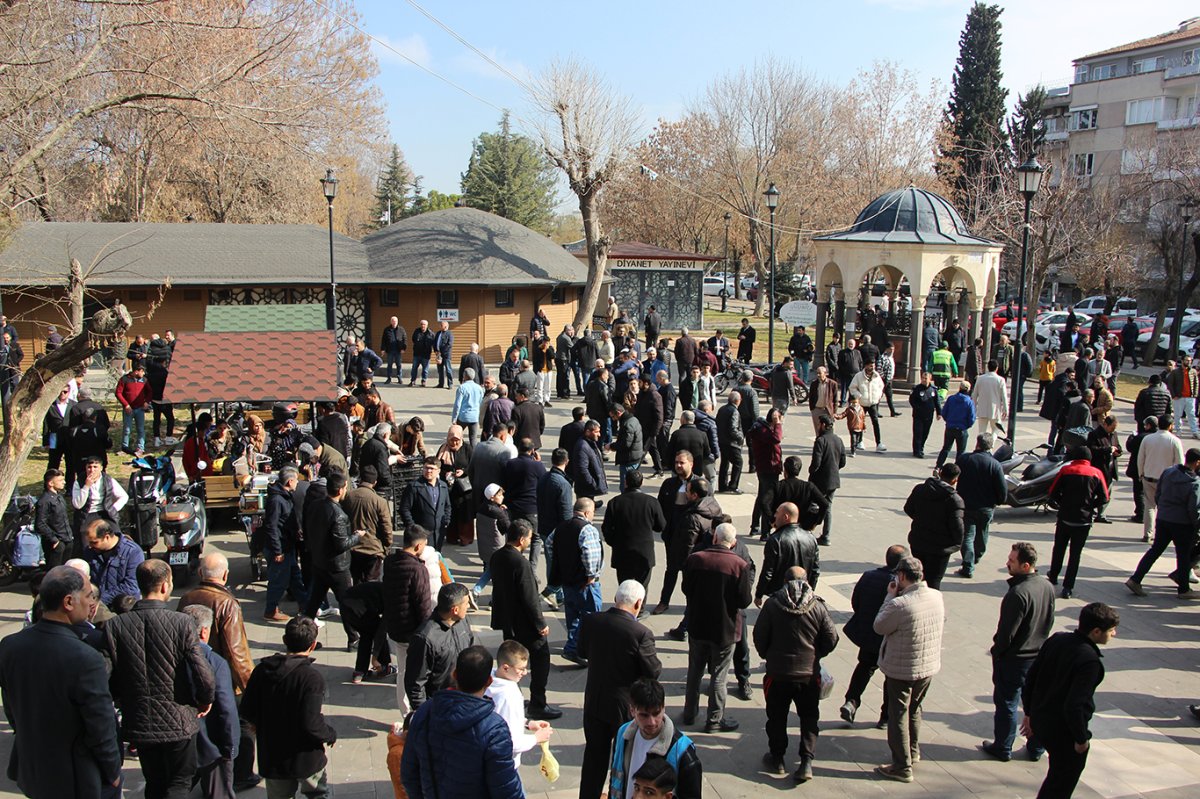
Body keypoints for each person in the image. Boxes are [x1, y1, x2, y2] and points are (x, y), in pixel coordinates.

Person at [0, 566, 122, 799]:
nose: (91, 604)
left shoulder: (10, 646)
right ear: (68, 602)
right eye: (88, 596)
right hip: (77, 778)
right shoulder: (85, 658)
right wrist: (113, 771)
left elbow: (12, 709)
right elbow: (101, 727)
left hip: (33, 770)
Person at [105, 560, 216, 799]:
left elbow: (110, 676)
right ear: (165, 586)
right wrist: (205, 699)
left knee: (154, 781)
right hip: (179, 721)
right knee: (179, 783)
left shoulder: (115, 625)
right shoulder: (182, 622)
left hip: (141, 721)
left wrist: (123, 701)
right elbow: (201, 670)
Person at [177, 553, 258, 790]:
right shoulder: (226, 604)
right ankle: (242, 775)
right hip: (222, 675)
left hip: (193, 670)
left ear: (201, 573)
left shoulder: (187, 597)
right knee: (239, 726)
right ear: (225, 575)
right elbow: (237, 653)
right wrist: (250, 689)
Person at [1021, 603, 1119, 799]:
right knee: (1061, 783)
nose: (1114, 634)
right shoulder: (1090, 662)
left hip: (1041, 719)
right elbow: (1074, 706)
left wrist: (1029, 713)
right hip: (1063, 731)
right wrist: (1081, 739)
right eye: (1111, 630)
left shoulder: (1058, 639)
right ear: (1096, 631)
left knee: (1055, 777)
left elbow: (1032, 677)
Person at [576, 580, 663, 798]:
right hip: (625, 708)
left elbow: (582, 650)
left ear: (616, 599)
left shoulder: (592, 620)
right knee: (625, 761)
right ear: (638, 603)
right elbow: (653, 671)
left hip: (595, 701)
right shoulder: (640, 633)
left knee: (594, 758)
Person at [401, 645, 524, 799]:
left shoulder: (425, 712)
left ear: (454, 674)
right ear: (489, 681)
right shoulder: (494, 728)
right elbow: (506, 789)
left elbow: (408, 774)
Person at [754, 565, 839, 783]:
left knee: (777, 717)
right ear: (807, 581)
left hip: (778, 673)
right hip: (808, 674)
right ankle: (806, 761)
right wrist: (816, 654)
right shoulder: (817, 607)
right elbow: (831, 638)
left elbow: (760, 636)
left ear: (784, 581)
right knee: (809, 717)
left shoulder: (773, 604)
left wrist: (768, 655)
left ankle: (777, 757)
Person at [241, 616, 338, 799]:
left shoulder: (262, 670)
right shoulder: (311, 678)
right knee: (317, 793)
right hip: (305, 757)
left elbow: (247, 711)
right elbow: (311, 723)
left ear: (285, 641)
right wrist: (329, 734)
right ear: (312, 645)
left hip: (273, 756)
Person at [980, 543, 1056, 763]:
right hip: (1038, 655)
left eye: (1011, 561)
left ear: (1025, 566)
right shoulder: (1046, 586)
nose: (1007, 563)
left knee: (1007, 703)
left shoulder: (1018, 594)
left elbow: (1006, 634)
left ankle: (1003, 746)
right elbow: (1048, 620)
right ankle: (1036, 747)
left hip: (1016, 659)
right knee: (1034, 703)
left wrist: (997, 652)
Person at [872, 556, 945, 784]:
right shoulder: (936, 596)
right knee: (915, 709)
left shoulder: (899, 604)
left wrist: (889, 596)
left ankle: (902, 766)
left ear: (902, 576)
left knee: (898, 715)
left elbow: (879, 626)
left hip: (902, 668)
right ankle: (913, 752)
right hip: (928, 665)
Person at [680, 522, 752, 733]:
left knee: (694, 670)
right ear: (733, 543)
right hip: (725, 628)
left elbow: (686, 589)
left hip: (698, 624)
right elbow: (744, 600)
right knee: (719, 675)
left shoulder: (695, 559)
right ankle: (714, 719)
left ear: (714, 538)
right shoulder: (739, 565)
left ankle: (689, 713)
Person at [840, 544, 909, 728]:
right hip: (890, 638)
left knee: (864, 667)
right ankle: (885, 717)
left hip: (870, 635)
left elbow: (856, 602)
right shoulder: (901, 586)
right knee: (890, 678)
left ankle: (851, 701)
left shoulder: (869, 576)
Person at [179, 605, 240, 799]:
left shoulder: (170, 656)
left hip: (178, 742)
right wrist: (231, 745)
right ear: (204, 631)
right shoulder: (215, 662)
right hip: (211, 744)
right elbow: (226, 708)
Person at [608, 678, 702, 799]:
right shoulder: (622, 734)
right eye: (644, 715)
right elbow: (615, 780)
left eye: (656, 713)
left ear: (663, 708)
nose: (651, 722)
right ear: (632, 710)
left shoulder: (683, 753)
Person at [1126, 447, 1200, 599]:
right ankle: (1184, 589)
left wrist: (1164, 508)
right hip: (1182, 523)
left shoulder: (1168, 472)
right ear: (1197, 462)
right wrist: (1196, 524)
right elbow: (1194, 508)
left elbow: (1158, 494)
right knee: (1183, 555)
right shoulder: (1194, 482)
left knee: (1155, 550)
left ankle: (1136, 579)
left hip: (1164, 518)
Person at [382, 526, 434, 716]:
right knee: (417, 674)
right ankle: (417, 712)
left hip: (395, 626)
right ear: (418, 545)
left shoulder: (390, 562)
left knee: (403, 672)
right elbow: (423, 605)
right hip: (413, 630)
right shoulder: (418, 569)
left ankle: (406, 713)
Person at [1046, 446, 1109, 599]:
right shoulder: (1097, 473)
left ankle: (1053, 576)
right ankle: (1068, 587)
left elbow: (1052, 493)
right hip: (1083, 521)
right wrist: (1089, 507)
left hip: (1065, 517)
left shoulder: (1066, 470)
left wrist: (1063, 504)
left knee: (1059, 547)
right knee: (1075, 554)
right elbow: (1105, 498)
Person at [406, 582, 479, 710]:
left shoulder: (462, 621)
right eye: (466, 603)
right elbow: (416, 684)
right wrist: (425, 714)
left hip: (464, 700)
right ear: (455, 610)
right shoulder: (425, 638)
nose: (468, 606)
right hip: (439, 706)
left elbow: (470, 649)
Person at [486, 640, 555, 774]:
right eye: (521, 669)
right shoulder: (510, 695)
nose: (525, 673)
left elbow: (502, 717)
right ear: (506, 668)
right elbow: (512, 742)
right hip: (506, 765)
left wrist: (528, 723)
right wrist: (537, 737)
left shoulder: (489, 679)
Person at [551, 497, 604, 666]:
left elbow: (549, 544)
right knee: (591, 615)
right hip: (584, 582)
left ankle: (573, 645)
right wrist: (591, 576)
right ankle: (577, 648)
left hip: (567, 580)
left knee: (572, 615)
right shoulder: (588, 530)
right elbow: (590, 554)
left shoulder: (561, 527)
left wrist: (562, 563)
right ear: (587, 512)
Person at [602, 470, 666, 597]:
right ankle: (639, 610)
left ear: (625, 482)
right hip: (644, 552)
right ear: (641, 483)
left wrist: (614, 542)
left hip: (622, 551)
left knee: (624, 587)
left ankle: (625, 610)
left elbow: (606, 529)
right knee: (642, 587)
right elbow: (661, 526)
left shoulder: (615, 502)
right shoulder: (651, 502)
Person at [955, 433, 1008, 577]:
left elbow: (954, 476)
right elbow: (1002, 489)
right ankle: (977, 555)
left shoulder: (964, 459)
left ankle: (968, 565)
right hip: (986, 507)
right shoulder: (994, 465)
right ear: (990, 447)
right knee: (983, 532)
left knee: (967, 536)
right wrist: (999, 501)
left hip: (967, 505)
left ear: (977, 444)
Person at [903, 463, 964, 589]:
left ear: (940, 473)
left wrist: (921, 520)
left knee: (918, 576)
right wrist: (957, 543)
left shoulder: (920, 489)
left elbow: (908, 508)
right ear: (955, 480)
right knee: (934, 580)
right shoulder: (954, 500)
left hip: (918, 541)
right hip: (940, 549)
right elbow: (957, 526)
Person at [756, 503, 820, 604]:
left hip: (780, 594)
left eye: (777, 513)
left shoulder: (776, 540)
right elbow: (815, 571)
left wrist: (759, 594)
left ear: (786, 517)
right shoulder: (811, 538)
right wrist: (809, 591)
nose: (775, 516)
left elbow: (768, 571)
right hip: (803, 593)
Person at [1137, 413, 1185, 543]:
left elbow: (1141, 458)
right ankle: (1162, 535)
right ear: (1170, 426)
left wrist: (1141, 473)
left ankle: (1148, 533)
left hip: (1148, 477)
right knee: (1164, 508)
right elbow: (1180, 462)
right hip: (1167, 480)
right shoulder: (1174, 441)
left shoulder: (1148, 439)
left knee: (1149, 506)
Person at [343, 465, 392, 584]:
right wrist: (387, 545)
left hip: (353, 547)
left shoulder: (348, 496)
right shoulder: (380, 502)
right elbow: (386, 528)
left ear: (360, 479)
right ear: (375, 482)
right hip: (373, 549)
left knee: (357, 581)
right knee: (371, 583)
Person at [81, 517, 143, 605]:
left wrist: (100, 600)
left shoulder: (132, 552)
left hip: (123, 606)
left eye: (94, 542)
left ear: (106, 537)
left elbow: (131, 586)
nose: (90, 546)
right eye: (89, 542)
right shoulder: (90, 551)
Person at [808, 414, 845, 546]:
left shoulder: (821, 441)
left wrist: (811, 471)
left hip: (820, 480)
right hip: (833, 480)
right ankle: (826, 535)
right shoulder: (838, 440)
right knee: (828, 507)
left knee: (812, 504)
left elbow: (816, 463)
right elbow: (842, 461)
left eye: (819, 424)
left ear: (823, 425)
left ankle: (808, 530)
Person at [399, 458, 451, 551]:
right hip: (420, 533)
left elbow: (447, 506)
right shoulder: (414, 486)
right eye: (426, 468)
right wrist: (413, 527)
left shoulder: (443, 486)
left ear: (438, 471)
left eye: (432, 468)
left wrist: (446, 521)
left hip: (438, 533)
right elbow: (404, 509)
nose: (429, 471)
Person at [748, 407, 784, 538]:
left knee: (761, 497)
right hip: (768, 468)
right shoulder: (764, 431)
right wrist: (778, 423)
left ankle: (755, 526)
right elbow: (777, 439)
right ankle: (765, 531)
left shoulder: (763, 429)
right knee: (767, 500)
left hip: (766, 467)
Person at [35, 467, 72, 568]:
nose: (64, 482)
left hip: (66, 539)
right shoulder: (45, 501)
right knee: (54, 572)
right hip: (56, 543)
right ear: (51, 483)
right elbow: (40, 524)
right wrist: (54, 540)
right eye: (60, 480)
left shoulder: (59, 497)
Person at [849, 361, 888, 453]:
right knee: (860, 422)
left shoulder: (876, 376)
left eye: (873, 365)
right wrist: (859, 396)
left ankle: (878, 443)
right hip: (862, 403)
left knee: (875, 422)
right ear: (866, 366)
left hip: (873, 403)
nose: (872, 367)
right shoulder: (858, 376)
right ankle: (860, 441)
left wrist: (878, 396)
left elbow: (881, 386)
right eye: (870, 365)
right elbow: (852, 387)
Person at [935, 381, 976, 467]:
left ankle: (938, 466)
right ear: (968, 390)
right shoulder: (969, 402)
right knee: (960, 452)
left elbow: (944, 412)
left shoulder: (951, 399)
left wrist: (949, 421)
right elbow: (972, 418)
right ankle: (957, 469)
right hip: (962, 429)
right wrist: (966, 426)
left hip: (950, 427)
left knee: (945, 448)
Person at [610, 403, 645, 491]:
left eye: (613, 416)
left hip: (629, 459)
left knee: (626, 487)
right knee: (633, 484)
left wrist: (611, 446)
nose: (613, 419)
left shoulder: (627, 425)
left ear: (618, 413)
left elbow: (625, 445)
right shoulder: (633, 419)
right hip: (635, 456)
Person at [715, 390, 745, 493]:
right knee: (738, 462)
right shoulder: (734, 411)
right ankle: (733, 485)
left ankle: (722, 486)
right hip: (730, 442)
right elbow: (733, 429)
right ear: (737, 401)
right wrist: (740, 437)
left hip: (722, 440)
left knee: (724, 463)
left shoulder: (722, 409)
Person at [1165, 354, 1200, 438]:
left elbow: (1196, 383)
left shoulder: (1193, 371)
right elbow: (1170, 384)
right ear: (1182, 361)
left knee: (1191, 415)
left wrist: (1194, 394)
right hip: (1179, 397)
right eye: (1187, 360)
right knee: (1178, 414)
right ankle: (1178, 430)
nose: (1189, 362)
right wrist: (1173, 395)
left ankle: (1194, 431)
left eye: (1190, 361)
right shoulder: (1175, 372)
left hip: (1190, 397)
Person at [908, 371, 942, 458]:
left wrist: (939, 413)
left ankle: (921, 447)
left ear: (930, 379)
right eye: (922, 378)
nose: (924, 380)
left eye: (926, 378)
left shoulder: (933, 389)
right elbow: (912, 400)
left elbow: (937, 402)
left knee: (925, 433)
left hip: (928, 415)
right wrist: (918, 408)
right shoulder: (916, 389)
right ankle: (917, 450)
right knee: (918, 433)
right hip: (918, 415)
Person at [973, 360, 1009, 438]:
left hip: (982, 408)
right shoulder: (1000, 380)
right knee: (995, 430)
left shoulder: (980, 378)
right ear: (997, 368)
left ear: (987, 367)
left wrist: (973, 407)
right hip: (995, 409)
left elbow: (975, 394)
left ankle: (981, 446)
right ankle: (990, 446)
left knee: (982, 431)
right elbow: (1004, 396)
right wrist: (1006, 409)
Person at [380, 315, 408, 384]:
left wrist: (404, 348)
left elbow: (405, 339)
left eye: (395, 321)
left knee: (399, 365)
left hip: (398, 350)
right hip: (390, 350)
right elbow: (383, 340)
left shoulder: (401, 329)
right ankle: (389, 378)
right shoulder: (387, 330)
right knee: (389, 365)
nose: (394, 322)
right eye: (393, 321)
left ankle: (399, 378)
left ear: (397, 322)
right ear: (391, 322)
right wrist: (383, 349)